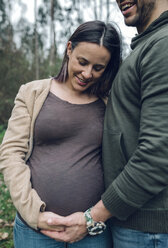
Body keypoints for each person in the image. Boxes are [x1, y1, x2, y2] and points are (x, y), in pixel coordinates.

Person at [40, 1, 168, 247]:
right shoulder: (148, 46)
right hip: (130, 221)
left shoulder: (162, 45)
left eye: (97, 67)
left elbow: (158, 152)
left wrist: (92, 218)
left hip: (149, 230)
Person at [0, 20, 121, 248]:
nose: (87, 73)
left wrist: (93, 218)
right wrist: (34, 214)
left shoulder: (110, 103)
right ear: (69, 49)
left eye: (98, 68)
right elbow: (10, 153)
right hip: (36, 230)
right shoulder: (32, 93)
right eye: (82, 62)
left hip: (92, 231)